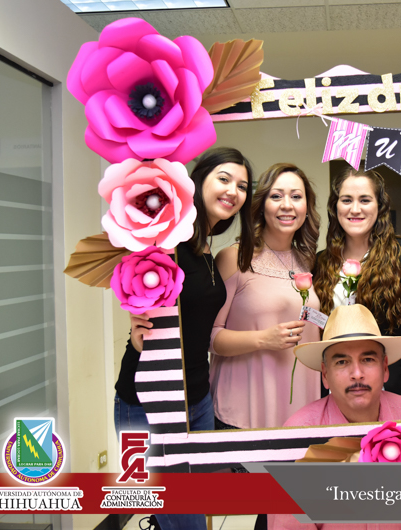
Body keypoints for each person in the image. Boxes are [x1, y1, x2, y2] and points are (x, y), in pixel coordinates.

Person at [114, 147, 255, 530]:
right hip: (151, 400)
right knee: (185, 520)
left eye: (242, 186)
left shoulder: (205, 247)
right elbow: (134, 280)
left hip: (198, 397)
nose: (233, 191)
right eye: (224, 179)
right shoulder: (166, 240)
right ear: (198, 180)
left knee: (189, 514)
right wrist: (137, 322)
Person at [269, 304, 401, 530]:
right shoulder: (299, 436)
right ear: (325, 375)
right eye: (342, 362)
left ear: (385, 368)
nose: (357, 374)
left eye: (367, 359)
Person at [209, 163, 322, 429]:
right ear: (261, 205)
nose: (287, 205)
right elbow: (209, 337)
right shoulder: (235, 258)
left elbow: (312, 321)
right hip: (245, 410)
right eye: (276, 196)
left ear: (307, 207)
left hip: (301, 410)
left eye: (296, 196)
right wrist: (263, 339)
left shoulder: (307, 261)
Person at [314, 169, 401, 402]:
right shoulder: (320, 262)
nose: (355, 209)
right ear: (335, 207)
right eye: (346, 200)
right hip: (335, 390)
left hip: (391, 389)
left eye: (365, 200)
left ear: (380, 206)